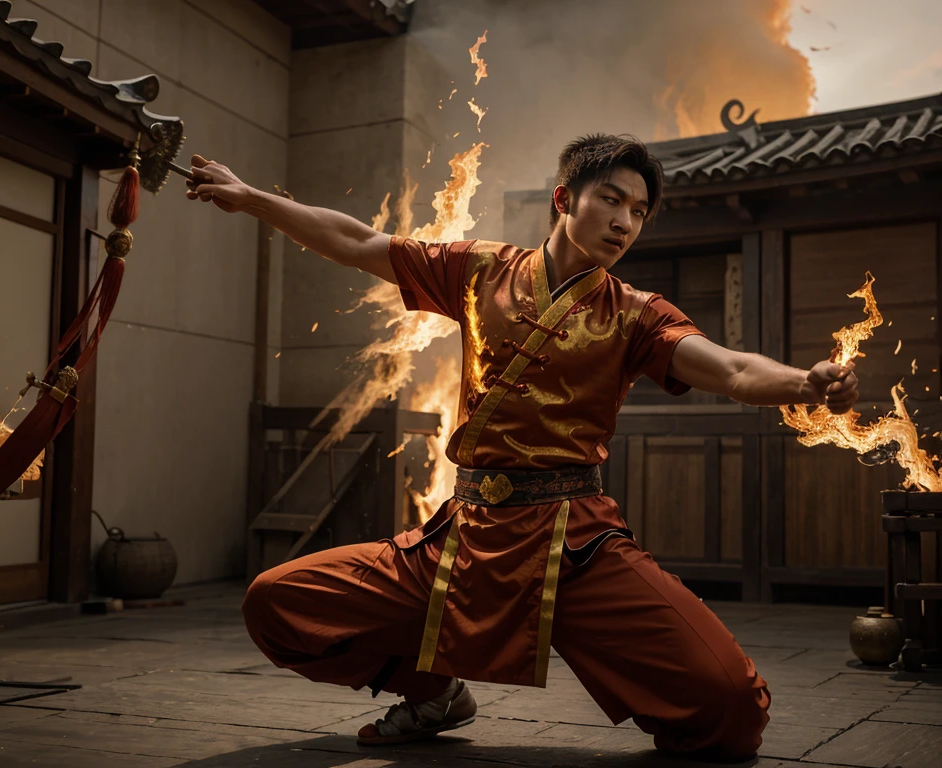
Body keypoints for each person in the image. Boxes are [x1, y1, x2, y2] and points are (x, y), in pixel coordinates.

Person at [186, 134, 859, 761]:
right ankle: (434, 693)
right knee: (274, 603)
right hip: (464, 541)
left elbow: (730, 369)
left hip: (575, 546)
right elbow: (359, 241)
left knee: (734, 710)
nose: (625, 222)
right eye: (612, 200)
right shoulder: (480, 271)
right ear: (566, 200)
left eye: (640, 211)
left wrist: (803, 381)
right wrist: (250, 198)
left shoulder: (636, 313)